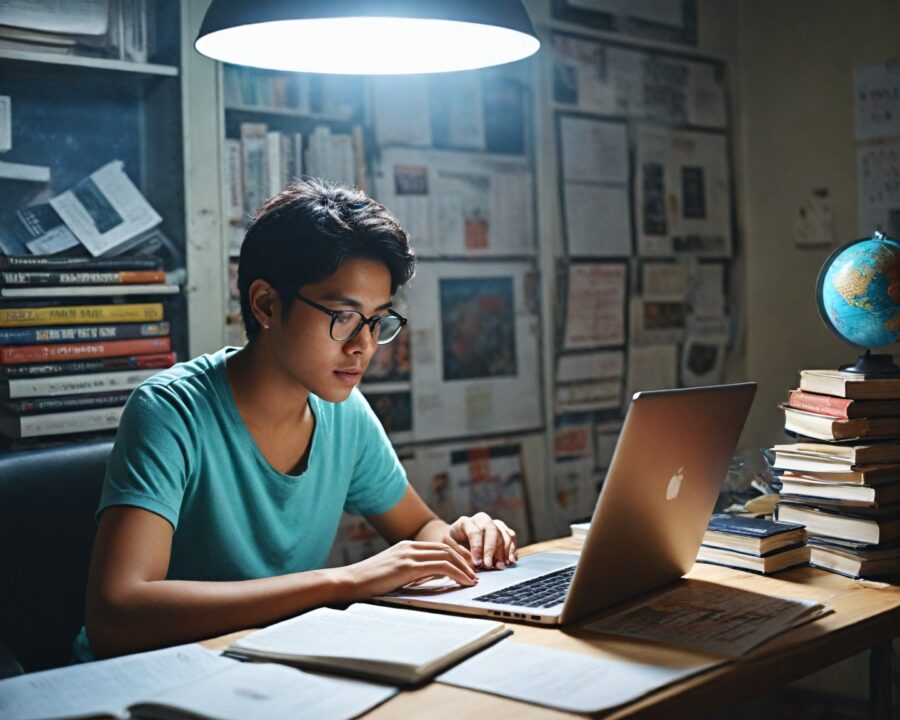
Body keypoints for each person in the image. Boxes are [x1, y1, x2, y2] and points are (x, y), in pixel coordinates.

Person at [75, 179, 517, 661]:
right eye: (343, 317)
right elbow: (115, 613)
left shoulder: (343, 411)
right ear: (266, 304)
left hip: (262, 670)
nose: (363, 347)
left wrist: (459, 538)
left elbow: (417, 528)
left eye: (377, 321)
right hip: (145, 681)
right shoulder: (170, 411)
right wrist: (344, 581)